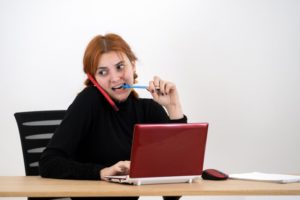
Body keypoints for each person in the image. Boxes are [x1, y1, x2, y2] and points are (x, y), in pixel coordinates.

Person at [39, 33, 187, 200]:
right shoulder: (88, 101)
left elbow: (175, 190)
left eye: (120, 67)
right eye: (103, 72)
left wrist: (173, 107)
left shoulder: (149, 110)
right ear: (93, 79)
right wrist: (102, 172)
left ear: (133, 66)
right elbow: (48, 163)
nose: (115, 78)